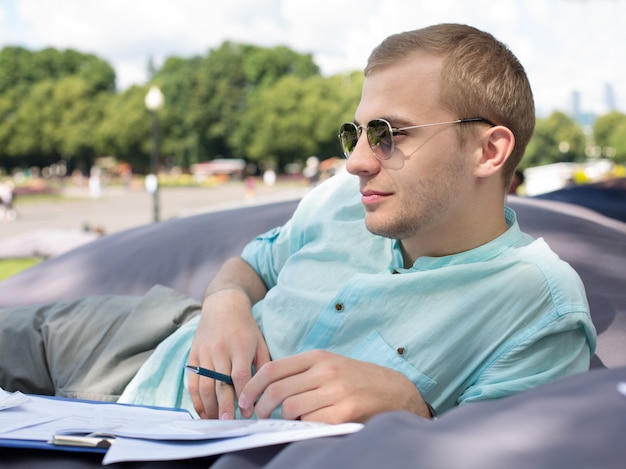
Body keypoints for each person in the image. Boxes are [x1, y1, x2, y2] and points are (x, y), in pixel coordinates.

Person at [0, 24, 596, 424]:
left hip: (146, 431)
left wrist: (417, 411)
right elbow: (249, 267)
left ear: (489, 152)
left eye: (390, 134)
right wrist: (225, 305)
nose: (357, 160)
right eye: (355, 132)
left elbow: (494, 449)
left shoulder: (539, 311)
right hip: (143, 340)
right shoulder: (340, 199)